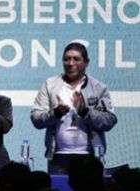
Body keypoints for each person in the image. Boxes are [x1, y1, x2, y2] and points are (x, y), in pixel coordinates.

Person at [31, 42, 117, 174]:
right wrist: (56, 113)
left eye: (76, 59)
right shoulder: (50, 85)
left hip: (90, 157)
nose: (70, 63)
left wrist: (84, 112)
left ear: (86, 62)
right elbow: (36, 119)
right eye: (66, 59)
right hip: (57, 156)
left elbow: (109, 121)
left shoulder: (99, 87)